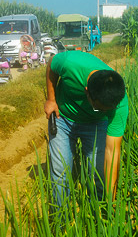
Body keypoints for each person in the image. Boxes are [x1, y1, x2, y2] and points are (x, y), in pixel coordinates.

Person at [43, 51, 128, 205]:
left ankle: (101, 210)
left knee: (99, 171)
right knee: (60, 171)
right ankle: (61, 219)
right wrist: (51, 99)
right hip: (63, 118)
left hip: (96, 124)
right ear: (87, 92)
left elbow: (112, 151)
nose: (104, 111)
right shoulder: (70, 63)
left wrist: (111, 201)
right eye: (99, 108)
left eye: (106, 110)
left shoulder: (119, 104)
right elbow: (51, 65)